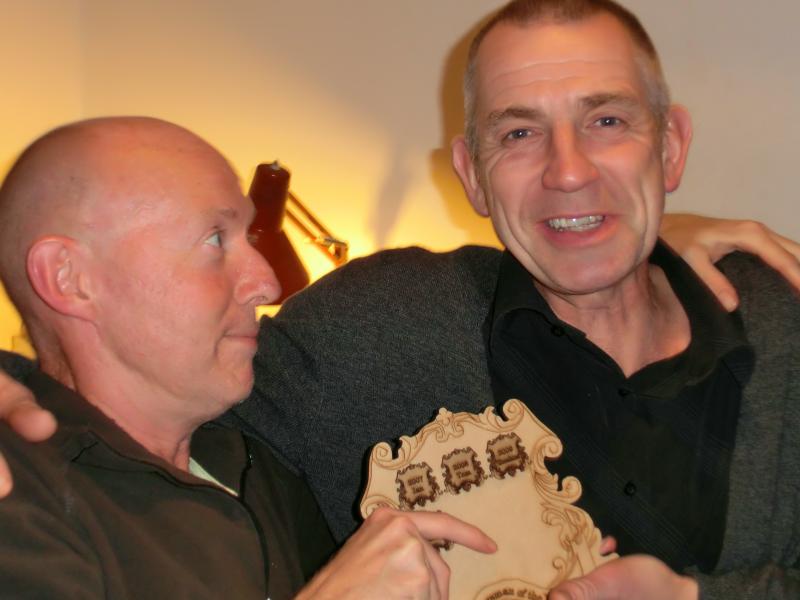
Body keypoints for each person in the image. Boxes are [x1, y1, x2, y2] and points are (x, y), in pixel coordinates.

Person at [1, 1, 800, 598]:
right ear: (472, 174)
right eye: (519, 134)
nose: (568, 171)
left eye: (608, 121)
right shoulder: (368, 330)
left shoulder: (785, 322)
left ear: (670, 147)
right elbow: (133, 393)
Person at [0, 117, 496, 599]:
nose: (268, 284)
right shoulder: (18, 500)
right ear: (69, 278)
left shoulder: (260, 467)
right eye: (215, 239)